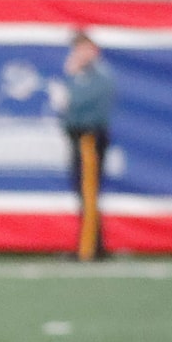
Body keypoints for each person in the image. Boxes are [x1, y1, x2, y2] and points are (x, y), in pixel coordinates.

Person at [62, 31, 116, 261]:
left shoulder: (100, 76)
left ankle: (89, 249)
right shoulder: (85, 76)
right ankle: (95, 244)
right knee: (84, 191)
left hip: (89, 138)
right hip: (79, 137)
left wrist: (72, 76)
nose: (76, 54)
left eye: (81, 49)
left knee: (88, 190)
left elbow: (74, 102)